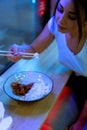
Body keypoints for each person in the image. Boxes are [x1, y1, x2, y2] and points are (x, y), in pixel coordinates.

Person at [8, 0, 87, 129]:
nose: (61, 20)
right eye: (60, 10)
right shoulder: (54, 25)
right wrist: (18, 51)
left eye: (71, 16)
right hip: (79, 79)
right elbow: (33, 49)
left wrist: (80, 121)